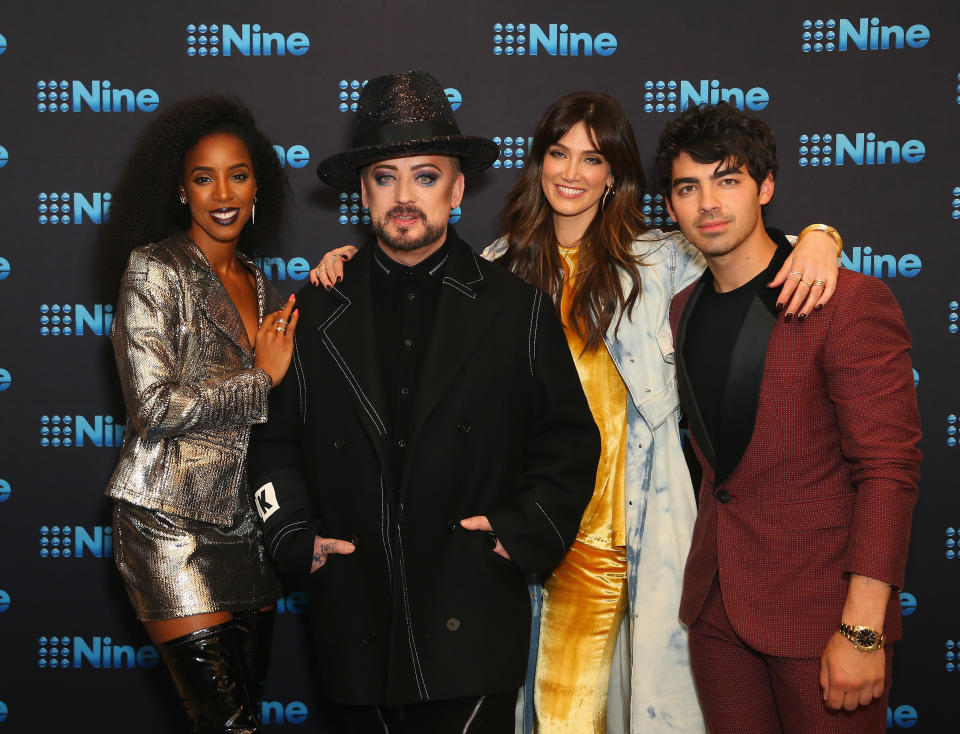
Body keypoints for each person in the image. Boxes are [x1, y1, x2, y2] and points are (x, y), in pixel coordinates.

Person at [312, 92, 841, 734]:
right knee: (526, 710)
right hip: (520, 533)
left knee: (607, 711)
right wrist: (347, 261)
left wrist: (819, 237)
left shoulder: (661, 258)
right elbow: (410, 285)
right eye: (558, 153)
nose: (571, 172)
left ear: (614, 173)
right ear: (536, 164)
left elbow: (747, 245)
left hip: (621, 528)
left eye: (592, 159)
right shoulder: (498, 265)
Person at [246, 71, 600, 733]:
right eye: (385, 177)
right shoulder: (315, 308)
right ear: (362, 192)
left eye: (426, 176)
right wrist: (296, 536)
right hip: (353, 622)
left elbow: (569, 444)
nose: (404, 197)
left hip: (471, 618)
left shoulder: (516, 307)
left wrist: (517, 533)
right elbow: (271, 442)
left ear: (458, 188)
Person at [657, 102, 921, 733]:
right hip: (718, 613)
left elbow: (888, 468)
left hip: (821, 615)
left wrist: (862, 629)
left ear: (766, 187)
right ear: (670, 206)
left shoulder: (843, 298)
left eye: (728, 180)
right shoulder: (681, 307)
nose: (708, 204)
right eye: (688, 187)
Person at [102, 95, 297, 733]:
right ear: (181, 190)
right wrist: (259, 377)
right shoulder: (153, 270)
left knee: (244, 720)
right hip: (168, 524)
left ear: (256, 185)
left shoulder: (263, 283)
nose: (222, 192)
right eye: (203, 176)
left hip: (248, 531)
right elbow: (153, 406)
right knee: (228, 726)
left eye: (237, 175)